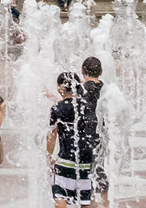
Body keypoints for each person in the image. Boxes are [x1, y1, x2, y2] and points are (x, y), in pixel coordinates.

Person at [47, 72, 92, 206]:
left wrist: (49, 157)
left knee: (59, 194)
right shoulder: (87, 106)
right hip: (86, 159)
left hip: (66, 158)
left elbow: (52, 135)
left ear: (61, 87)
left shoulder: (57, 108)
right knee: (85, 199)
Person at [80, 56, 109, 208]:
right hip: (102, 133)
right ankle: (106, 202)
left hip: (85, 133)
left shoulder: (82, 89)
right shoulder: (106, 89)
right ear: (101, 71)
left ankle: (90, 201)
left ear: (82, 70)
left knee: (86, 169)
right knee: (100, 167)